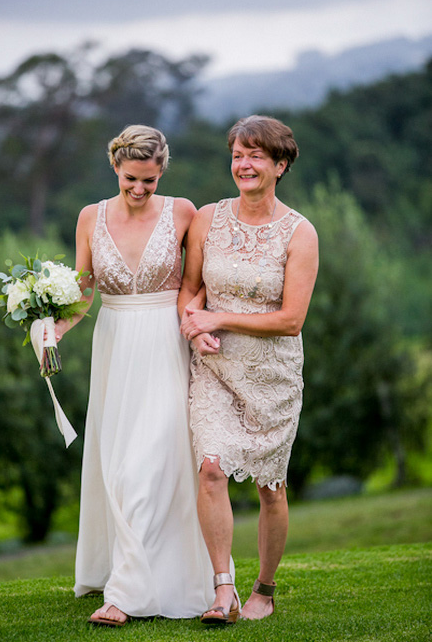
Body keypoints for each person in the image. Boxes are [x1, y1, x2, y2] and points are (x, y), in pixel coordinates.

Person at [55, 124, 213, 627]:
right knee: (118, 466)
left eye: (149, 179)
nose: (140, 190)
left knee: (149, 464)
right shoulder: (89, 217)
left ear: (162, 170)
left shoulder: (183, 211)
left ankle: (125, 595)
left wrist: (197, 329)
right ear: (115, 169)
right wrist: (52, 330)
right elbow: (83, 294)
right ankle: (129, 571)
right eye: (130, 180)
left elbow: (194, 287)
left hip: (166, 343)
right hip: (115, 345)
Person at [178, 115, 319, 625]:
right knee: (211, 468)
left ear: (280, 165)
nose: (244, 164)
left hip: (272, 378)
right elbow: (189, 289)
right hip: (214, 367)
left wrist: (221, 315)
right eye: (238, 154)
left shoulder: (300, 233)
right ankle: (224, 591)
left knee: (270, 487)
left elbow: (291, 319)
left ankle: (266, 584)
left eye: (256, 156)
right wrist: (194, 323)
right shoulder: (208, 219)